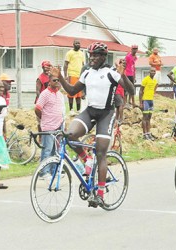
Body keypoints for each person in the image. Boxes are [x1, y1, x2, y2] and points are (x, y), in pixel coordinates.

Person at [51, 42, 134, 207]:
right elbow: (73, 91)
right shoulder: (87, 73)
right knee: (71, 135)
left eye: (96, 55)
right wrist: (60, 76)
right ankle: (87, 160)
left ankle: (100, 195)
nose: (92, 58)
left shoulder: (111, 72)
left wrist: (123, 75)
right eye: (91, 55)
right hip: (90, 111)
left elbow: (131, 91)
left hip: (106, 114)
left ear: (103, 57)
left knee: (101, 152)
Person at [35, 74, 65, 168]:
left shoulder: (60, 94)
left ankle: (53, 171)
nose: (57, 82)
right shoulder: (45, 94)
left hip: (59, 126)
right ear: (49, 82)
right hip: (48, 126)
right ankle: (44, 172)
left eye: (58, 80)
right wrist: (44, 118)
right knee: (47, 150)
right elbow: (37, 109)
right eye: (54, 80)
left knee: (56, 150)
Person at [63, 39, 85, 116]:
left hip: (80, 76)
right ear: (73, 44)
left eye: (79, 43)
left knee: (79, 94)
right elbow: (65, 64)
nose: (78, 44)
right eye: (76, 43)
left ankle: (78, 110)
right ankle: (71, 110)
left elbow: (83, 65)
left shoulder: (82, 53)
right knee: (71, 93)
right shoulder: (69, 53)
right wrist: (65, 76)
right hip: (72, 74)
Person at [140, 67, 158, 140]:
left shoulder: (154, 81)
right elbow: (141, 91)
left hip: (151, 101)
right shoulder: (145, 79)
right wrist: (141, 102)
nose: (153, 72)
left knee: (149, 118)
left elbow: (155, 88)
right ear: (149, 72)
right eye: (152, 71)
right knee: (145, 117)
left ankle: (148, 133)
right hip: (145, 100)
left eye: (154, 71)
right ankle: (144, 134)